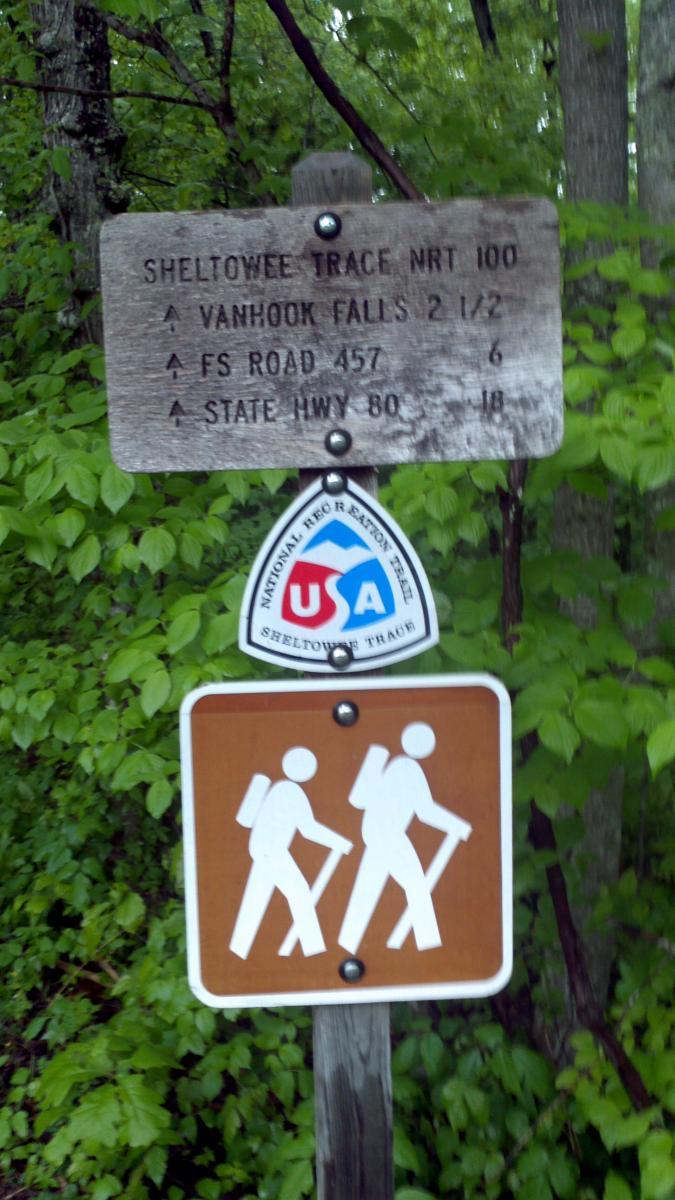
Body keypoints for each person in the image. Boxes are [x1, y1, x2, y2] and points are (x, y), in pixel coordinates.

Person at [338, 722, 472, 954]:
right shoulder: (408, 769)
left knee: (367, 888)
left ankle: (348, 943)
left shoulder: (393, 765)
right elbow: (425, 811)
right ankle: (429, 946)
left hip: (374, 834)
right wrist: (458, 826)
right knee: (417, 886)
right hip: (389, 836)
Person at [230, 746, 352, 960]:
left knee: (256, 898)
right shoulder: (291, 791)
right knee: (300, 893)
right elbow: (308, 829)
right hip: (272, 851)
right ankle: (314, 950)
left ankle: (238, 951)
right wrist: (341, 843)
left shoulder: (278, 788)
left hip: (261, 849)